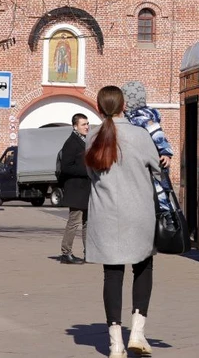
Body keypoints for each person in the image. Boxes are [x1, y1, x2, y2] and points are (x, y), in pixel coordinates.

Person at [86, 85, 160, 358]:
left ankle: (115, 342)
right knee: (143, 267)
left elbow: (91, 174)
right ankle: (138, 333)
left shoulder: (92, 136)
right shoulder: (139, 135)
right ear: (124, 106)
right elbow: (157, 167)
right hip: (138, 212)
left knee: (112, 274)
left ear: (98, 107)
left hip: (105, 215)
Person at [121, 81, 174, 211]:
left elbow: (158, 134)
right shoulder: (132, 117)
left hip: (152, 163)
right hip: (147, 161)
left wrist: (165, 152)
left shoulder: (142, 118)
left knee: (159, 192)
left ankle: (167, 217)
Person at [57, 113, 90, 265]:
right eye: (83, 124)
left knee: (87, 222)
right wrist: (87, 170)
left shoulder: (85, 141)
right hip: (76, 189)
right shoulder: (71, 143)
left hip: (86, 189)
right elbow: (66, 167)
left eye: (87, 124)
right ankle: (66, 253)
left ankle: (88, 252)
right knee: (74, 221)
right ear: (75, 126)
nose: (87, 127)